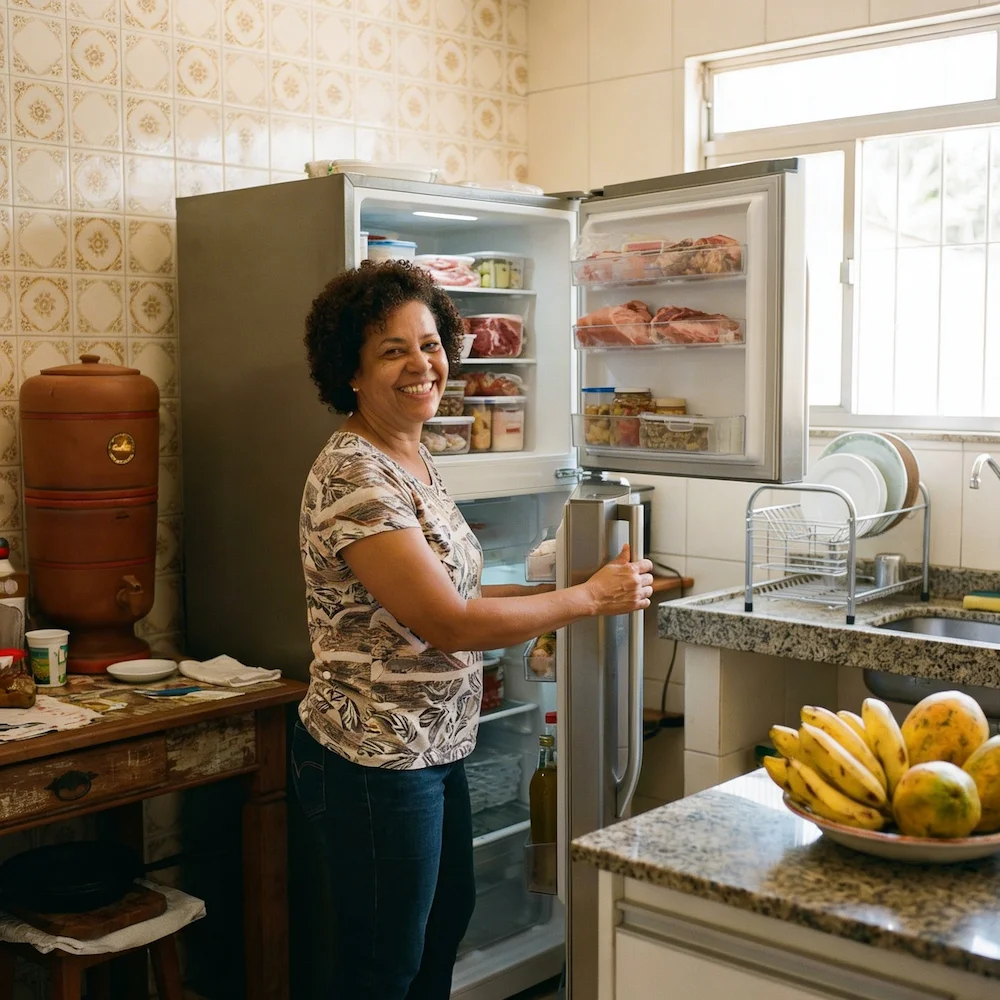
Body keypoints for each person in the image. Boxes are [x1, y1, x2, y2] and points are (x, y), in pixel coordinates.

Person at [292, 260, 653, 1000]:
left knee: (437, 932)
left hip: (433, 744)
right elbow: (449, 622)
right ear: (350, 372)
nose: (422, 364)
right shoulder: (356, 475)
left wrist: (563, 590)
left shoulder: (412, 454)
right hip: (375, 757)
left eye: (430, 344)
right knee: (382, 967)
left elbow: (456, 590)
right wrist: (584, 600)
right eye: (393, 350)